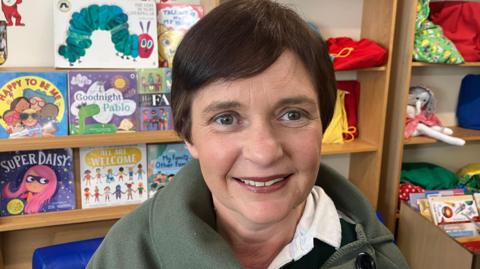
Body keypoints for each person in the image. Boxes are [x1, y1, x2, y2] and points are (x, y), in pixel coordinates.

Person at [87, 1, 409, 268]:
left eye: (292, 114)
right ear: (189, 135)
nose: (264, 151)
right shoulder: (125, 255)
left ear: (322, 124)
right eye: (226, 118)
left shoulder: (378, 258)